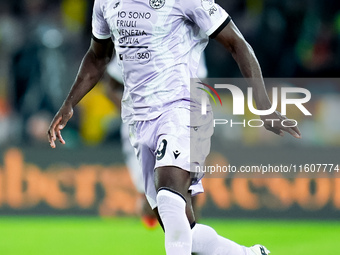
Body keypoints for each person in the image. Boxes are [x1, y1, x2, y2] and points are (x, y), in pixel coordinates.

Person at [48, 0, 301, 254]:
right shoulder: (105, 3)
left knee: (169, 199)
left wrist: (263, 104)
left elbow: (237, 43)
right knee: (183, 231)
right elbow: (97, 56)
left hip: (182, 108)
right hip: (139, 121)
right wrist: (69, 103)